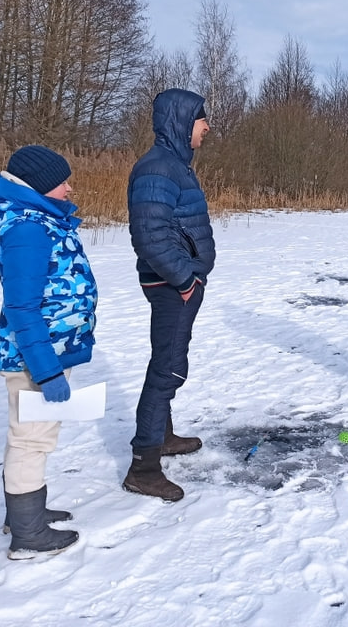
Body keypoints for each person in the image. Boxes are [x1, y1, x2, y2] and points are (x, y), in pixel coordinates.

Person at [0, 145, 98, 560]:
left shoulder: (38, 221)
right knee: (32, 440)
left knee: (28, 435)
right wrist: (47, 371)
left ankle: (23, 516)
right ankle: (28, 536)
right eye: (62, 181)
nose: (69, 188)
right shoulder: (28, 230)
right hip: (37, 357)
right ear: (38, 185)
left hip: (46, 352)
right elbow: (21, 306)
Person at [123, 88, 215, 502]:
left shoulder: (173, 165)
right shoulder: (158, 169)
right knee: (167, 370)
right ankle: (144, 468)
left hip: (177, 285)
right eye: (201, 119)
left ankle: (163, 437)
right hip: (171, 286)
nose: (206, 127)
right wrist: (184, 280)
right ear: (181, 121)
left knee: (168, 363)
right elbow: (149, 234)